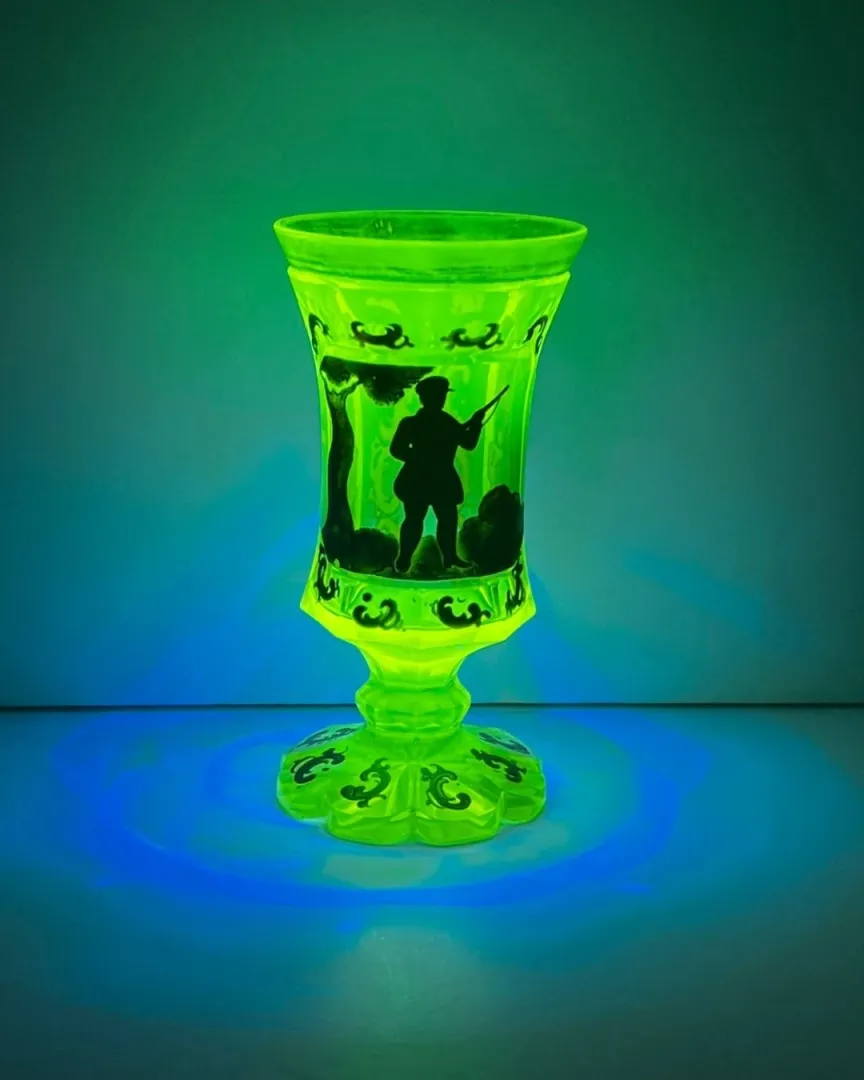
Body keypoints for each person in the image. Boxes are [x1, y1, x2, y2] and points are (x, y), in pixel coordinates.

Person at [390, 376, 484, 572]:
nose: (441, 399)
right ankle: (404, 558)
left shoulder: (447, 422)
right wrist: (420, 457)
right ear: (425, 398)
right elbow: (396, 449)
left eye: (442, 395)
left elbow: (467, 442)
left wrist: (476, 424)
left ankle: (450, 557)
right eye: (437, 395)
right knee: (414, 519)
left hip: (442, 480)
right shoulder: (411, 423)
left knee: (448, 519)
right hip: (418, 480)